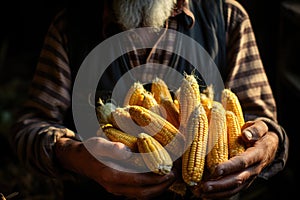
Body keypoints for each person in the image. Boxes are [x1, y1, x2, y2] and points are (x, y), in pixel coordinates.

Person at [10, 0, 288, 199]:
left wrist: (267, 144)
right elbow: (28, 129)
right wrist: (76, 156)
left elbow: (266, 126)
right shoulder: (69, 26)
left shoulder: (227, 17)